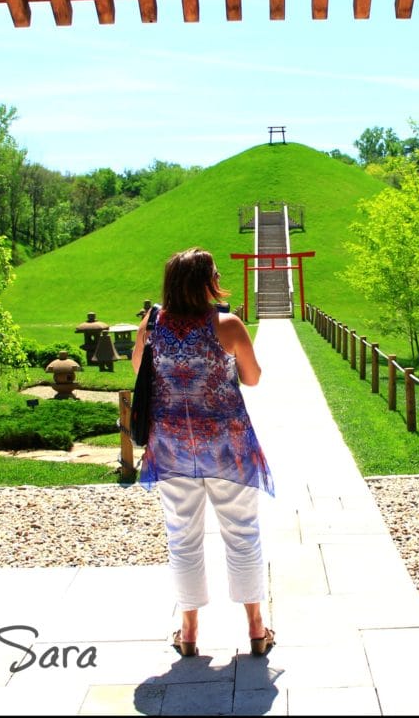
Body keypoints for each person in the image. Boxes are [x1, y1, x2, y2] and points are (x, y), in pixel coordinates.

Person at [133, 247, 276, 657]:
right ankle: (255, 627)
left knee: (183, 537)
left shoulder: (153, 323)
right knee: (242, 533)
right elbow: (252, 378)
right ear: (206, 281)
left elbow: (138, 369)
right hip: (227, 447)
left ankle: (189, 630)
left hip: (172, 446)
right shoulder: (227, 325)